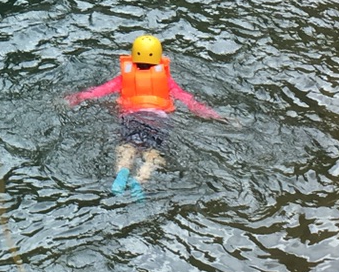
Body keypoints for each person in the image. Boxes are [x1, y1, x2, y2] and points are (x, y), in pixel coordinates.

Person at [66, 34, 222, 198]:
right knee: (152, 153)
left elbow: (97, 92)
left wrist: (76, 98)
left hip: (132, 117)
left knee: (127, 147)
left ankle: (123, 171)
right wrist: (214, 115)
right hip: (158, 120)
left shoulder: (123, 78)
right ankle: (139, 180)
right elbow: (189, 100)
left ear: (133, 57)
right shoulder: (166, 80)